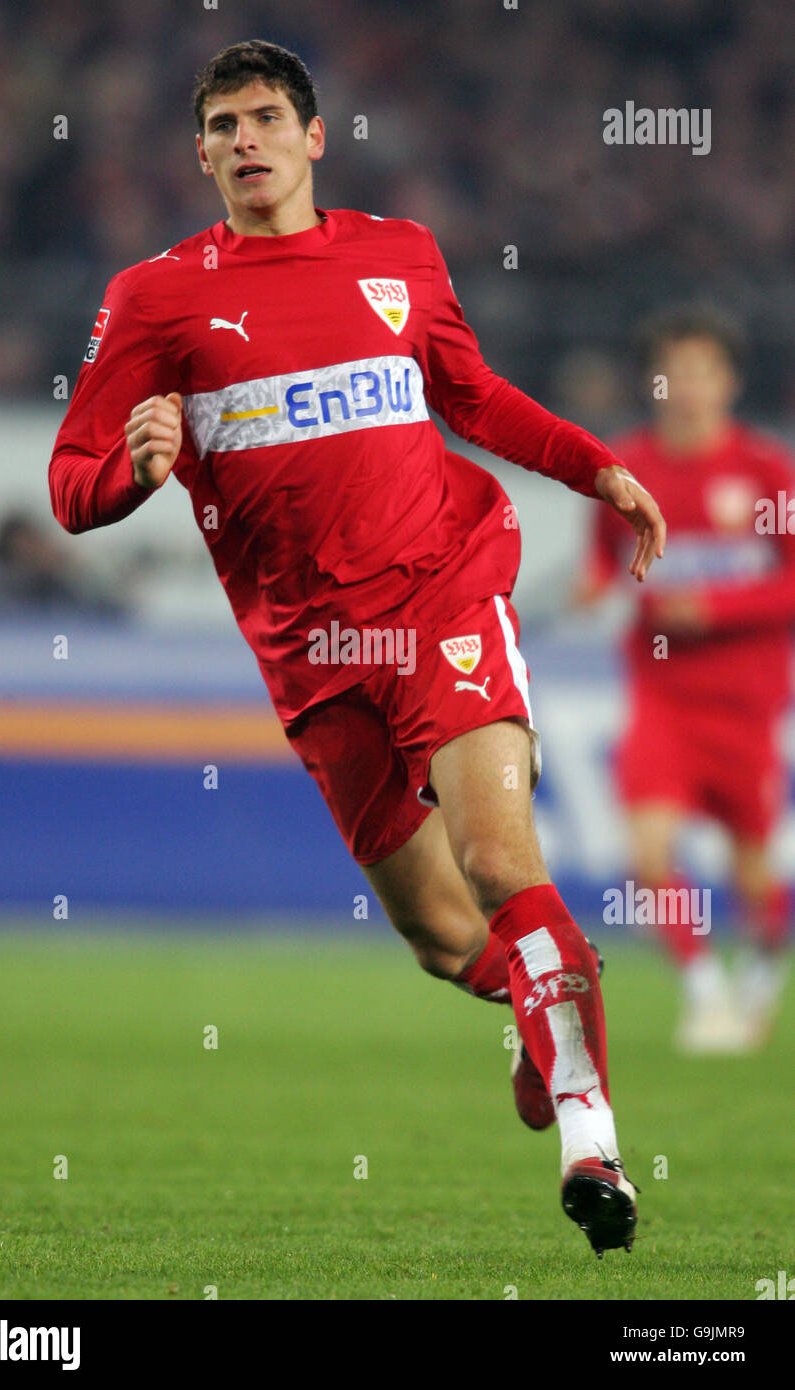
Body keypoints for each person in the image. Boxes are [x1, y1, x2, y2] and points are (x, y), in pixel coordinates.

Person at [49, 40, 666, 1255]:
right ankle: (551, 998)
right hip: (309, 647)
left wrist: (593, 465)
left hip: (439, 593)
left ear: (315, 136)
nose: (246, 141)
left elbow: (472, 395)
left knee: (497, 860)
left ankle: (590, 1135)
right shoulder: (154, 297)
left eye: (267, 117)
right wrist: (136, 470)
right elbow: (70, 483)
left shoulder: (400, 255)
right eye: (222, 125)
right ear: (201, 153)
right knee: (447, 939)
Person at [579, 306, 794, 1052]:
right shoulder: (623, 471)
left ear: (729, 381)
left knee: (754, 878)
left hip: (746, 704)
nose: (689, 387)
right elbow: (606, 557)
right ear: (656, 382)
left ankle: (761, 975)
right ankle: (706, 996)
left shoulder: (766, 474)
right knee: (645, 852)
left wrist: (714, 606)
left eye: (705, 371)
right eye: (676, 372)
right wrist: (594, 583)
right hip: (661, 698)